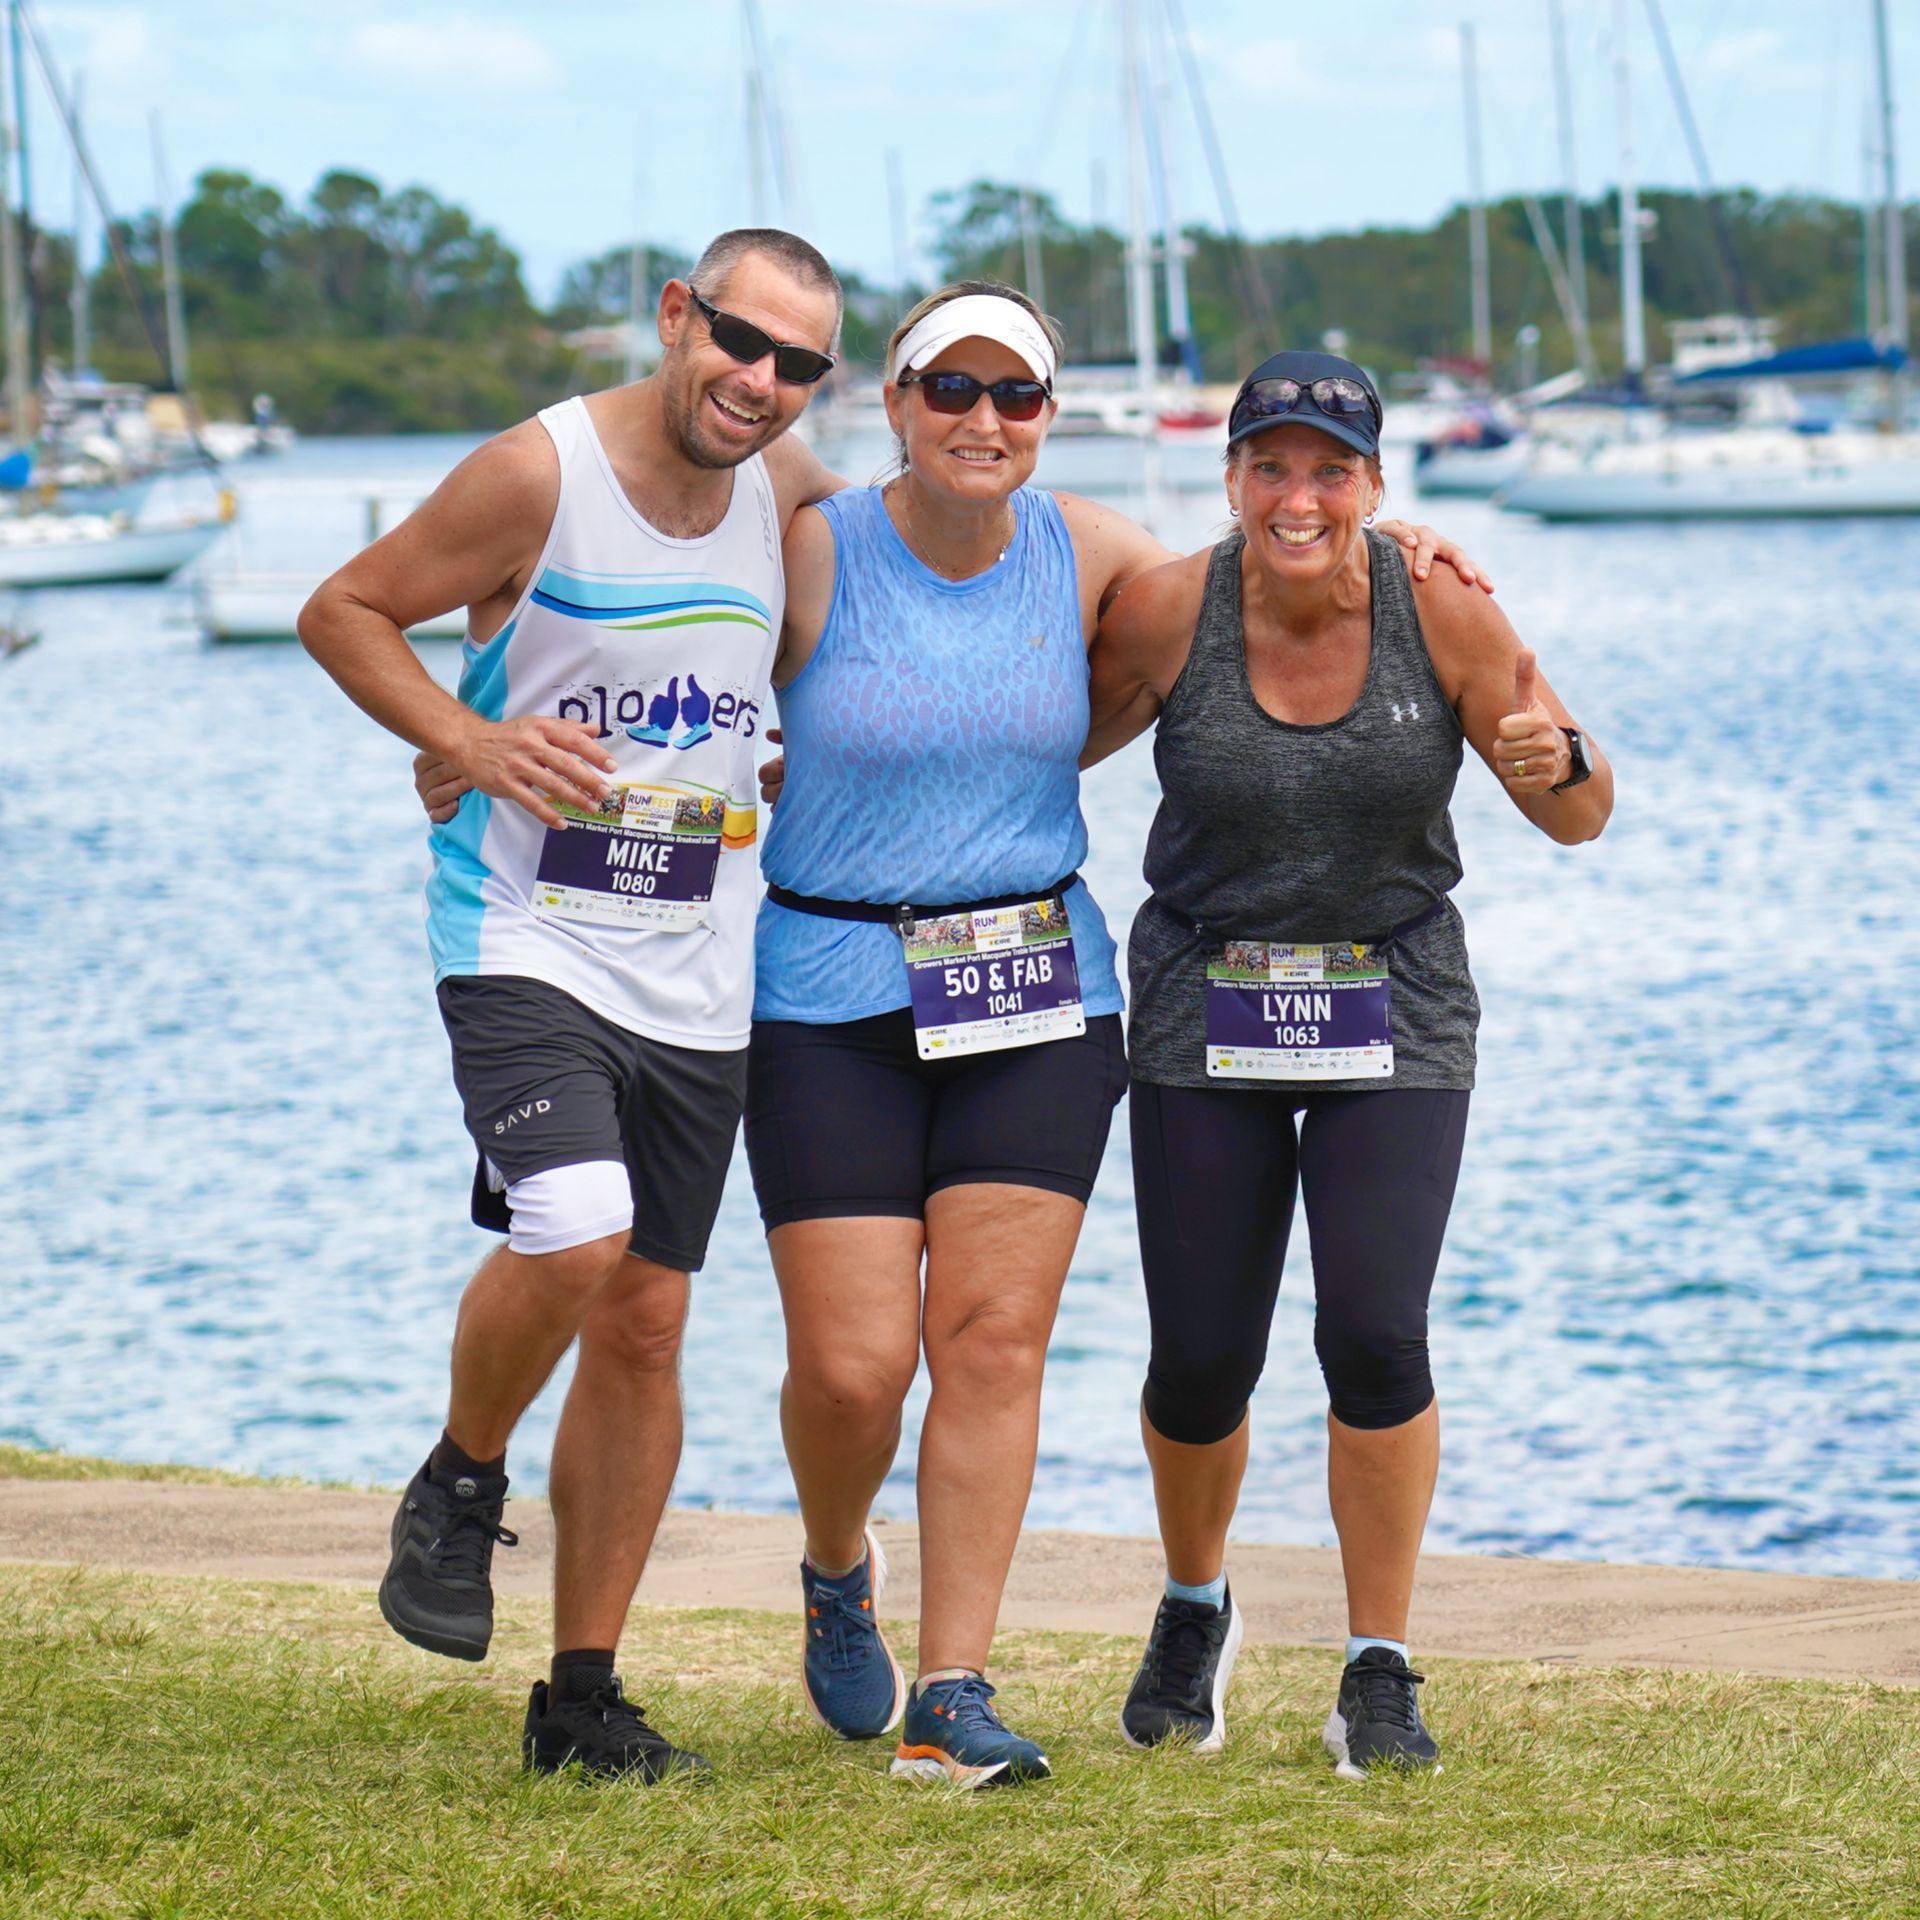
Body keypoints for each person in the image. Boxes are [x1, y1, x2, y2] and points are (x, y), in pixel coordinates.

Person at [747, 293, 1491, 1789]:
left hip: (1029, 981)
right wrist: (489, 742)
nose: (983, 416)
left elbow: (1278, 576)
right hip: (833, 972)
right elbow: (649, 636)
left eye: (1015, 393)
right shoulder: (814, 544)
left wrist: (1404, 555)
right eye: (951, 387)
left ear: (1050, 414)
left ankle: (953, 1692)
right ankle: (840, 1569)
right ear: (891, 399)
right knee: (854, 1367)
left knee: (1000, 1338)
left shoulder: (1092, 552)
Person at [297, 228, 845, 1783]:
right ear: (677, 313)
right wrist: (460, 744)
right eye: (740, 341)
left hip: (701, 956)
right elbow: (347, 610)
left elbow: (964, 523)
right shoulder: (535, 475)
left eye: (801, 367)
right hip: (523, 931)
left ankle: (582, 1696)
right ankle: (462, 1478)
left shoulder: (786, 489)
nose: (761, 384)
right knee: (576, 1227)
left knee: (653, 1326)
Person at [1083, 350, 1613, 1777]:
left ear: (1376, 486)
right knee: (1201, 1360)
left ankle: (1377, 1661)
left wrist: (1544, 751)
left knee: (1375, 1337)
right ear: (1234, 476)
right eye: (1273, 465)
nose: (1299, 495)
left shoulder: (1438, 600)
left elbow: (1581, 811)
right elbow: (1029, 747)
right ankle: (1196, 1608)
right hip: (1209, 997)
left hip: (1394, 1000)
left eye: (1331, 470)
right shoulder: (1169, 608)